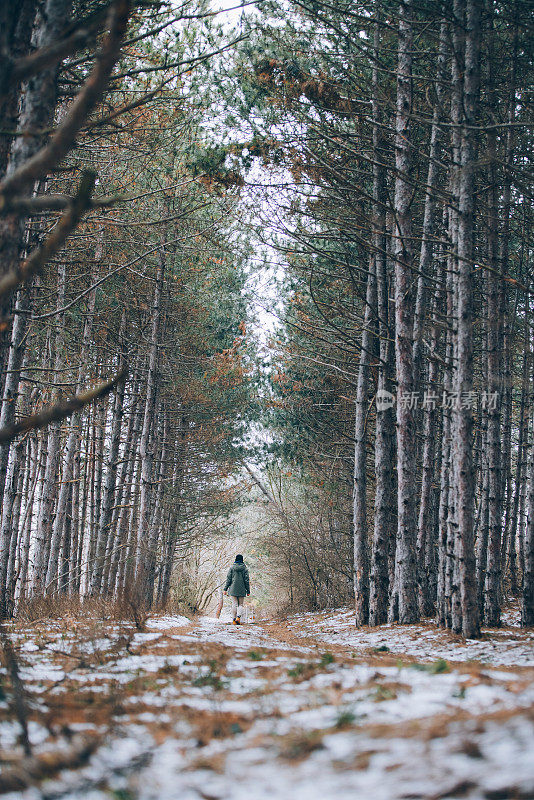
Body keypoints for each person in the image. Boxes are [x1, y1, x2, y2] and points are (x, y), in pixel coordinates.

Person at [223, 554, 250, 625]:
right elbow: (246, 580)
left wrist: (225, 589)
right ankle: (238, 617)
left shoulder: (232, 568)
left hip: (233, 588)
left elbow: (228, 579)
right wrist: (248, 590)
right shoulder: (245, 569)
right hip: (242, 588)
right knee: (240, 604)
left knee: (234, 604)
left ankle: (234, 619)